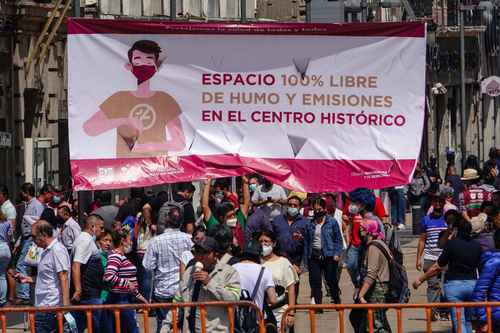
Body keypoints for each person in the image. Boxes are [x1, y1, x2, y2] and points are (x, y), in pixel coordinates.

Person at [83, 39, 186, 157]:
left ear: (156, 65)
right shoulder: (119, 98)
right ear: (129, 66)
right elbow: (89, 128)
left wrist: (147, 147)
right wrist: (124, 120)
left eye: (148, 62)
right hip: (124, 169)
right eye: (137, 62)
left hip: (158, 168)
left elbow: (179, 143)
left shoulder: (165, 99)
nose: (143, 66)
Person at [413, 218, 482, 333]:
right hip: (472, 285)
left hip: (454, 286)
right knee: (469, 320)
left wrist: (421, 279)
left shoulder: (452, 244)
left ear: (457, 230)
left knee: (459, 320)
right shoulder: (477, 246)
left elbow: (437, 267)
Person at [172, 236, 241, 333]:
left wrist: (210, 283)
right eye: (197, 252)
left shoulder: (229, 272)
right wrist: (167, 327)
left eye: (205, 253)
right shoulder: (189, 272)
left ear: (215, 254)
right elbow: (177, 302)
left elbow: (234, 299)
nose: (200, 257)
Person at [143, 203, 193, 333]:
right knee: (184, 326)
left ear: (165, 220)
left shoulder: (156, 241)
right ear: (181, 222)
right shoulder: (189, 239)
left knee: (164, 327)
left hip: (163, 290)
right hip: (184, 290)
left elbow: (148, 266)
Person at [15, 220, 71, 333]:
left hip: (51, 308)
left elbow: (63, 277)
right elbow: (48, 277)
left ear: (44, 235)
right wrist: (28, 279)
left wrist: (65, 308)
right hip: (42, 307)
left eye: (34, 236)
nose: (33, 240)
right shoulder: (45, 251)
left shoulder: (57, 250)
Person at [12, 183, 52, 305]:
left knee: (22, 264)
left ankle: (24, 295)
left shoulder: (37, 205)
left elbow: (38, 223)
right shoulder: (31, 204)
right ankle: (26, 293)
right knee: (25, 264)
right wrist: (19, 241)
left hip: (30, 238)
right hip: (26, 237)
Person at [103, 227, 147, 333]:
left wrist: (140, 297)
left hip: (126, 299)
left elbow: (130, 282)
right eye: (129, 239)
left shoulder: (121, 256)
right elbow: (108, 276)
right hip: (120, 300)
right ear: (123, 241)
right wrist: (126, 283)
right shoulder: (115, 256)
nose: (131, 242)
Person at [304, 197, 343, 305]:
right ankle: (318, 305)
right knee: (315, 282)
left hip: (329, 255)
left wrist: (337, 253)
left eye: (319, 209)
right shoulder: (310, 223)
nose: (318, 212)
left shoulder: (332, 222)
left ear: (324, 209)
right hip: (314, 255)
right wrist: (307, 257)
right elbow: (307, 241)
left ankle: (336, 299)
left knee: (331, 280)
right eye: (315, 210)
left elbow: (338, 239)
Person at [356, 219, 392, 333]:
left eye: (364, 227)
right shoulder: (381, 243)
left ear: (370, 231)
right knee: (378, 321)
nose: (361, 229)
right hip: (381, 288)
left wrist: (361, 295)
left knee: (376, 325)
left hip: (377, 290)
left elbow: (371, 274)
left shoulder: (374, 247)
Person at [416, 194, 448, 321]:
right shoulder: (426, 220)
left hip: (445, 258)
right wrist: (418, 258)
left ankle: (445, 311)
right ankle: (432, 311)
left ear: (444, 203)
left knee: (445, 286)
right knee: (433, 285)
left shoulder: (448, 219)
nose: (438, 204)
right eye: (436, 201)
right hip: (430, 258)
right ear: (432, 203)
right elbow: (422, 240)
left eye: (440, 201)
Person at [74, 230, 113, 333]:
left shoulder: (110, 257)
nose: (108, 243)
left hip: (108, 298)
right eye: (105, 240)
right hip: (98, 297)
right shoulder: (95, 257)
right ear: (98, 242)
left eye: (110, 241)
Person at [259, 230, 298, 332]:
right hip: (261, 314)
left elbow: (291, 290)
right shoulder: (255, 263)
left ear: (274, 243)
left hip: (281, 313)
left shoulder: (283, 263)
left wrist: (291, 313)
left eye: (266, 241)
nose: (263, 244)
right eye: (261, 241)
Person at [202, 177, 250, 251]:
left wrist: (245, 183)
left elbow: (246, 203)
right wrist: (207, 184)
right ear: (221, 218)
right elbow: (205, 206)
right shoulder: (216, 227)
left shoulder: (239, 222)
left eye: (234, 214)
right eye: (230, 216)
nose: (234, 217)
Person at [271, 195, 309, 276]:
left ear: (300, 207)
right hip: (279, 258)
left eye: (295, 205)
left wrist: (301, 238)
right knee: (278, 285)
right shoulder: (277, 220)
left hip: (296, 260)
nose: (292, 207)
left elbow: (308, 242)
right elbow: (271, 238)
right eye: (290, 205)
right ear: (286, 206)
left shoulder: (305, 222)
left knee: (294, 287)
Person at [233, 242, 277, 311]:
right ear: (259, 255)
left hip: (234, 318)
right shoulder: (264, 271)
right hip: (256, 318)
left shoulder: (232, 268)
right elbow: (273, 300)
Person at [472, 229, 500, 332]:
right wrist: (484, 319)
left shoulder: (492, 262)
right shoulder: (494, 262)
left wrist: (483, 319)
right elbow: (479, 293)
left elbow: (479, 292)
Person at [71, 214, 104, 303]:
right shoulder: (84, 240)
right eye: (101, 227)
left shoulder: (88, 239)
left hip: (93, 289)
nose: (102, 230)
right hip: (88, 292)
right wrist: (78, 290)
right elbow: (76, 265)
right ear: (92, 226)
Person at [0, 210, 11, 306]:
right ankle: (2, 300)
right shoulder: (7, 222)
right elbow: (9, 236)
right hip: (5, 248)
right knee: (2, 275)